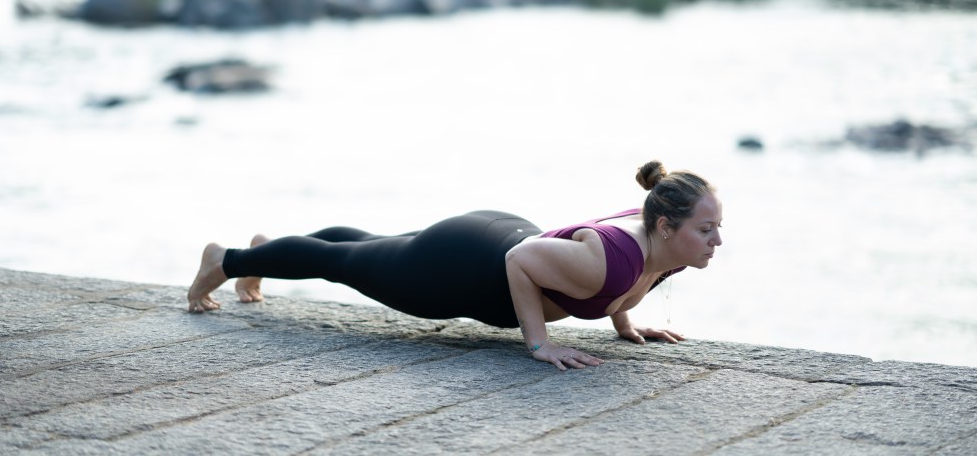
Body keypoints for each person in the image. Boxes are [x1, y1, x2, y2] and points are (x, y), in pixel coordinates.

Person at [186, 160, 723, 371]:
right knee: (348, 262)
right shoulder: (614, 256)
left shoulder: (669, 246)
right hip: (464, 265)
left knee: (365, 249)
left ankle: (269, 249)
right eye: (706, 229)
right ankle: (228, 260)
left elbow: (623, 280)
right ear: (665, 226)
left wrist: (626, 322)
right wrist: (539, 345)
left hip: (489, 234)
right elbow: (522, 260)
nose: (716, 240)